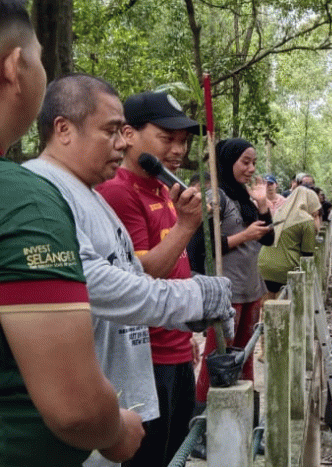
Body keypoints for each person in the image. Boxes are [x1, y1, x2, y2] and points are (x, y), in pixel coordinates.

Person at [23, 73, 235, 467]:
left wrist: (192, 312)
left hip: (121, 397)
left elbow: (131, 273)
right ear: (64, 129)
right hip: (85, 412)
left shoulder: (88, 195)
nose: (121, 143)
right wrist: (194, 297)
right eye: (111, 131)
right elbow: (94, 283)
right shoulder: (42, 190)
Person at [0, 4, 144, 465]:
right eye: (39, 58)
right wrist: (117, 430)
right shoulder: (25, 200)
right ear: (14, 68)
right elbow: (77, 408)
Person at [95, 91, 206, 467]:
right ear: (129, 134)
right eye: (167, 138)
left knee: (178, 450)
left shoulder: (163, 188)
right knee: (150, 457)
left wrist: (185, 331)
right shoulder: (118, 192)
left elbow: (177, 266)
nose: (178, 149)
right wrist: (188, 225)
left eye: (184, 141)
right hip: (145, 355)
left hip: (174, 345)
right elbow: (137, 275)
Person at [188, 137, 274, 439]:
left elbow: (267, 239)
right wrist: (243, 236)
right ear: (228, 162)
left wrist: (263, 207)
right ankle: (199, 432)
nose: (251, 168)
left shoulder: (245, 197)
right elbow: (199, 248)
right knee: (217, 358)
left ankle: (246, 426)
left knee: (245, 355)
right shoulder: (216, 197)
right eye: (244, 162)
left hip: (252, 289)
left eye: (253, 162)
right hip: (227, 292)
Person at [257, 185, 321, 300]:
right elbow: (307, 256)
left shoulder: (280, 212)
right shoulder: (307, 221)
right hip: (285, 271)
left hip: (263, 266)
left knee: (267, 309)